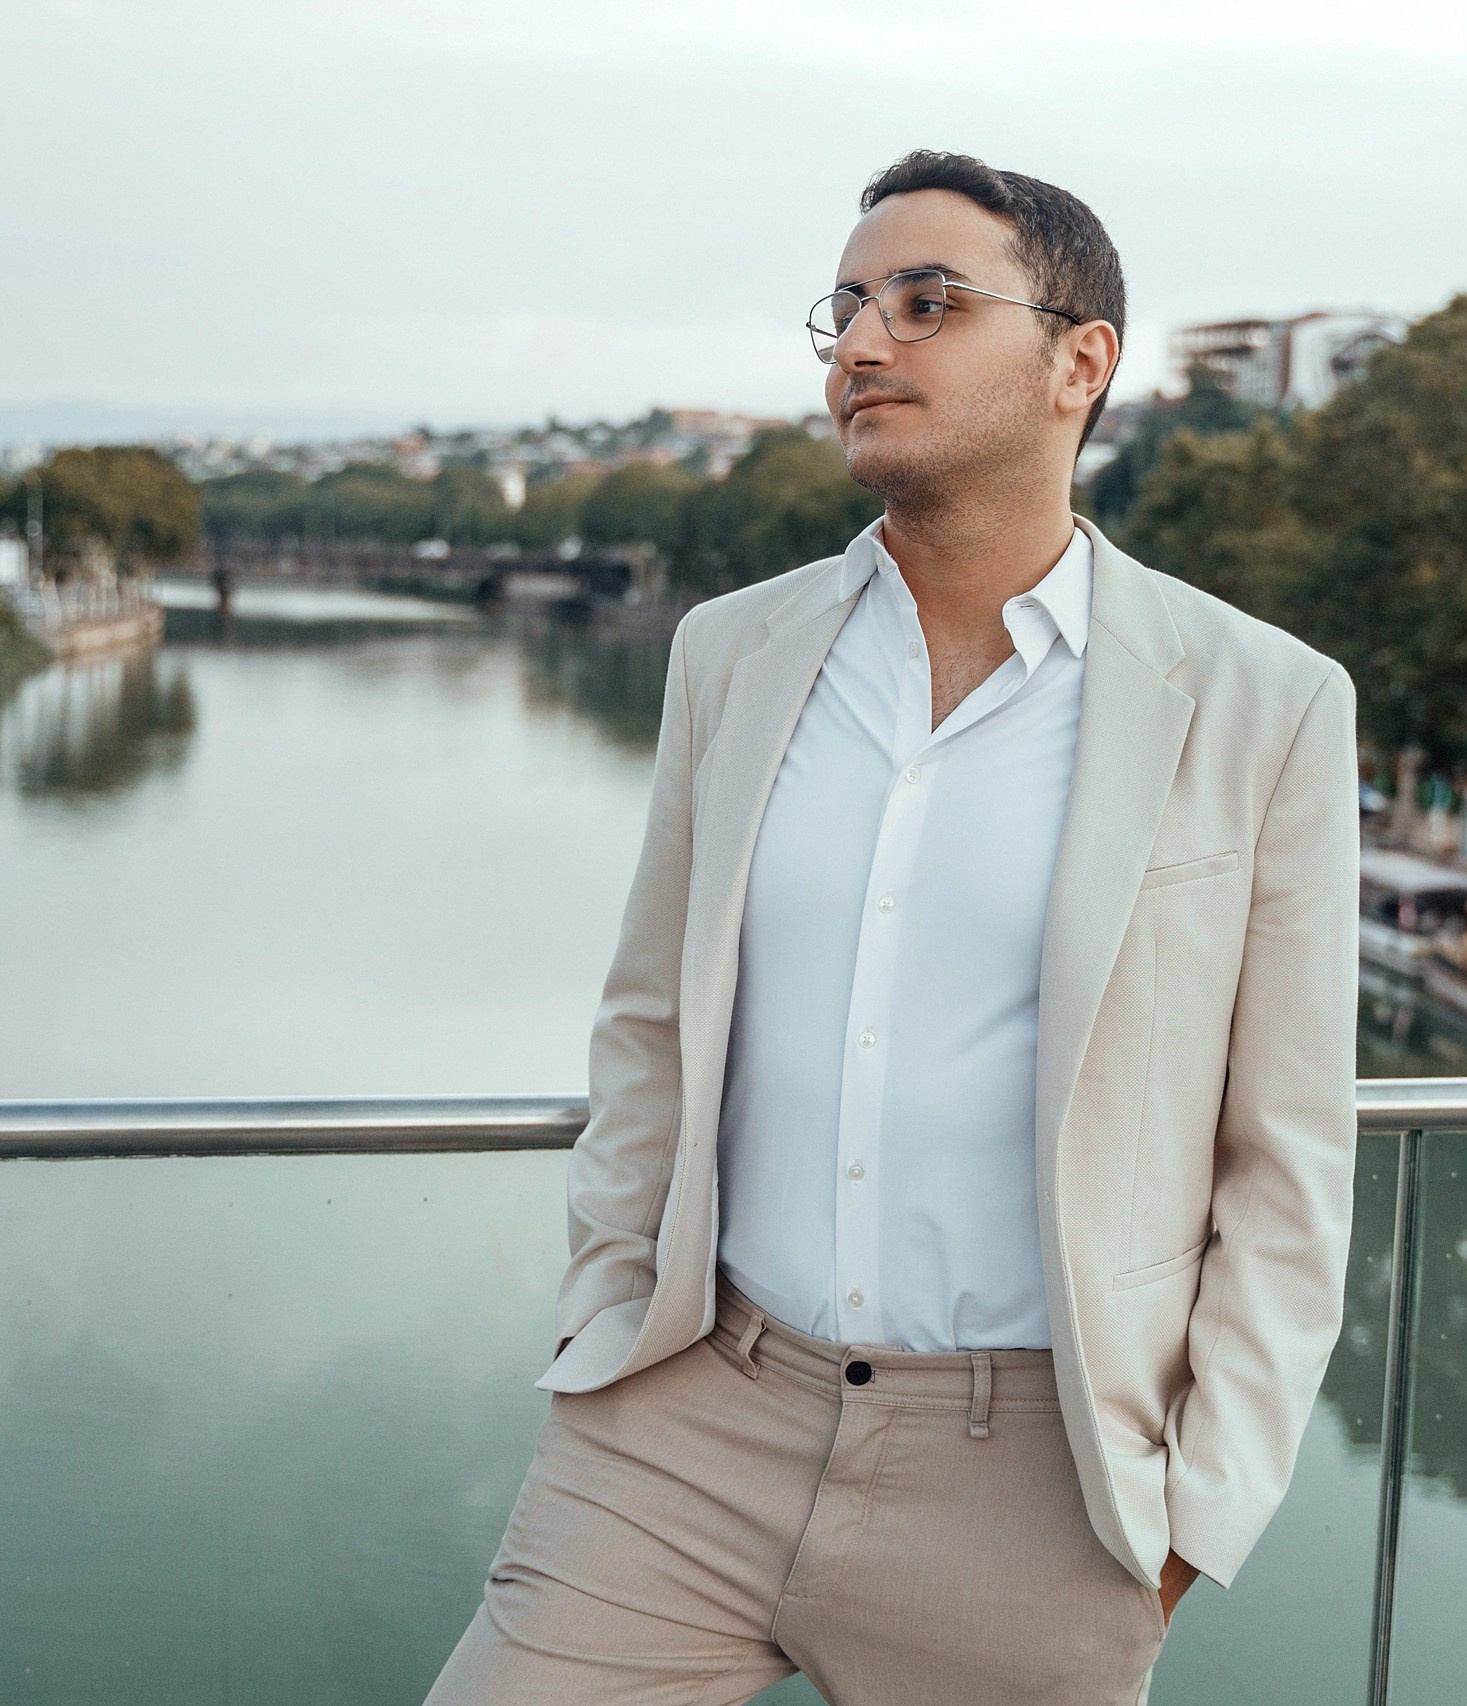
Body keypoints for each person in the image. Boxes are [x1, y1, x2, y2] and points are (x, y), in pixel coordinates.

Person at [424, 149, 1359, 1706]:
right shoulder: (731, 652)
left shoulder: (1265, 701)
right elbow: (649, 1023)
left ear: (1080, 364)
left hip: (1040, 1487)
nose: (861, 343)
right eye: (846, 307)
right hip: (682, 1427)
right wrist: (609, 1317)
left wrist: (1194, 1518)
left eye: (926, 303)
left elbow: (1289, 1157)